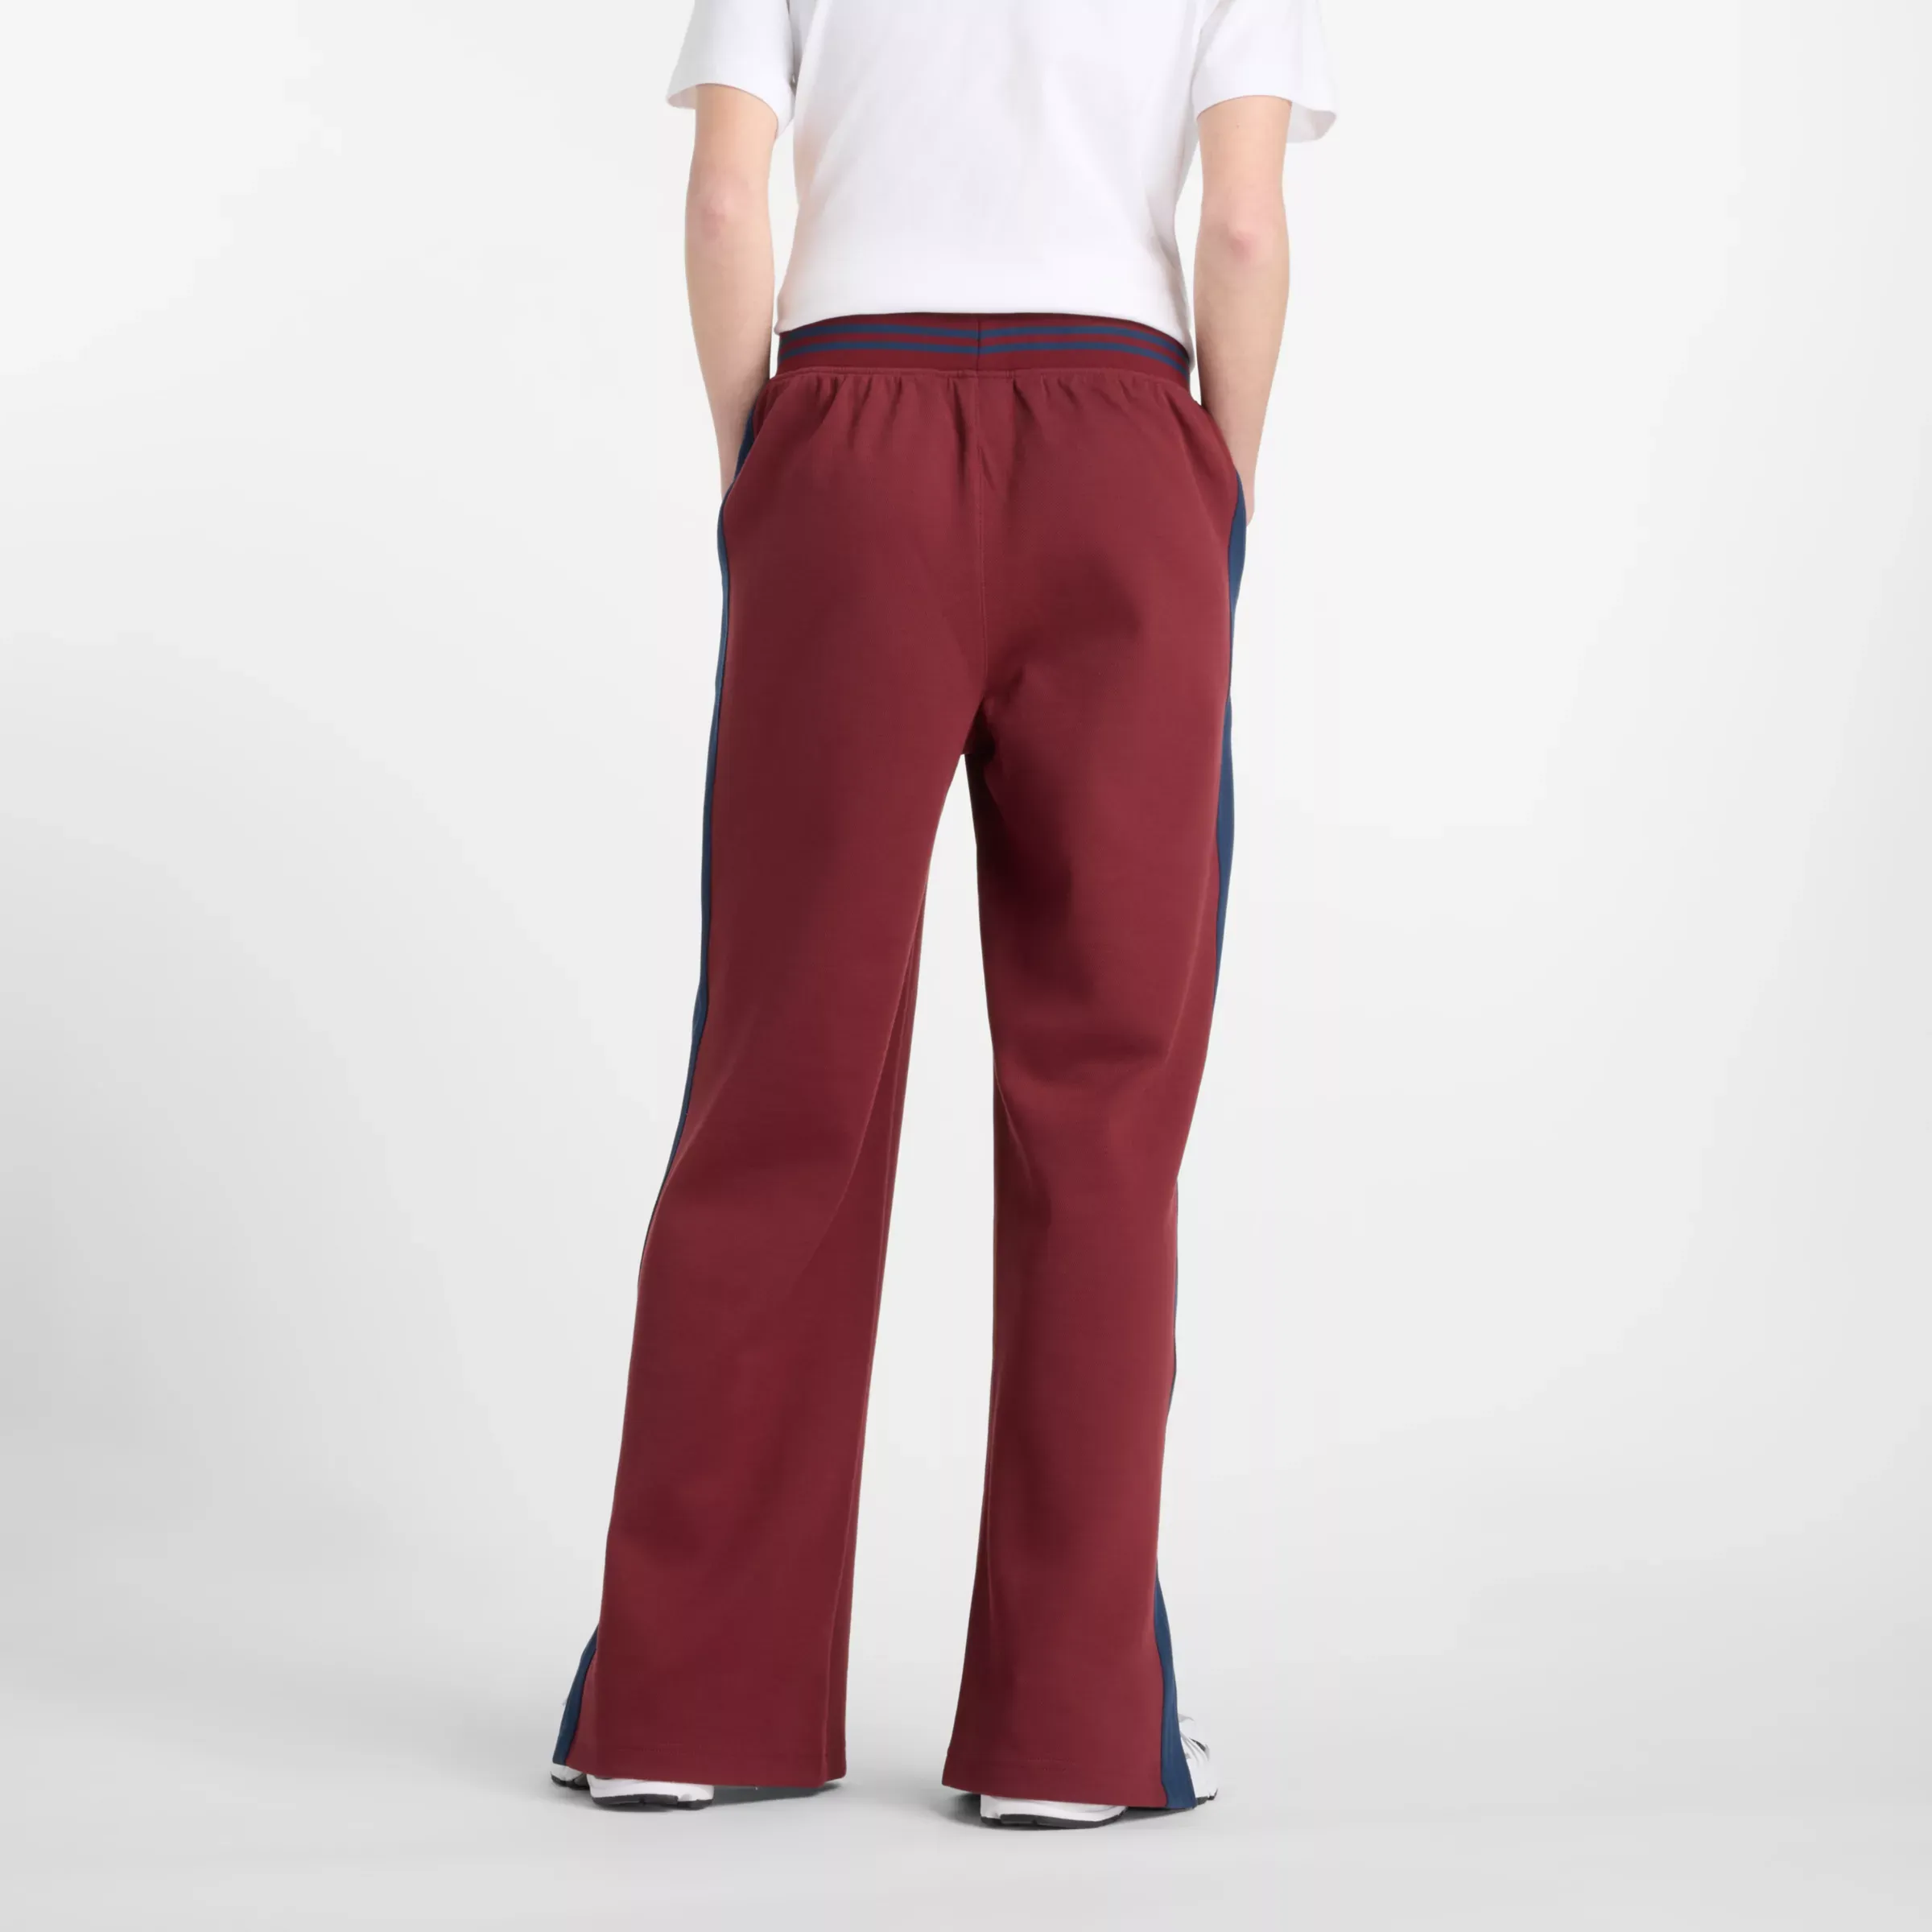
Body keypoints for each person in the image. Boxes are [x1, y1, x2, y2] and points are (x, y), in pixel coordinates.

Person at [549, 0, 1336, 1829]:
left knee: (778, 1076)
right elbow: (1240, 226)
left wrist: (764, 466)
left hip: (850, 434)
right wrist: (1213, 493)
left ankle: (686, 1704)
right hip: (1124, 440)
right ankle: (1070, 1734)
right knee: (1105, 1103)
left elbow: (726, 196)